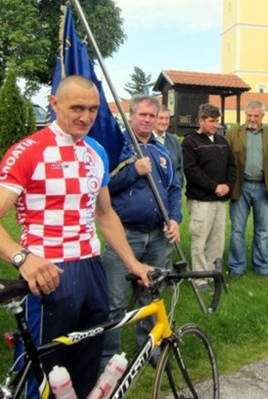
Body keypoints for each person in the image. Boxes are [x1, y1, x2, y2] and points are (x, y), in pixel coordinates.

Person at [0, 75, 152, 399]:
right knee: (41, 380)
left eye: (93, 109)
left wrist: (132, 261)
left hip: (92, 269)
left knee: (83, 373)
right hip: (48, 272)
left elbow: (106, 214)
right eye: (77, 108)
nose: (85, 117)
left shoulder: (96, 151)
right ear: (54, 104)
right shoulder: (29, 151)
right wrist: (22, 258)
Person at [101, 94, 182, 367]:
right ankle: (107, 359)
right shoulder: (117, 147)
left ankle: (150, 349)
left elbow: (173, 188)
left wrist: (174, 219)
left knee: (151, 296)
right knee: (114, 300)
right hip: (124, 234)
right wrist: (132, 171)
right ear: (131, 114)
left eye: (151, 115)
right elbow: (103, 187)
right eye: (142, 115)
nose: (147, 120)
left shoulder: (161, 152)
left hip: (157, 236)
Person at [226, 101, 268, 279]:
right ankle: (236, 267)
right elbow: (225, 162)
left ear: (262, 116)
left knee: (262, 230)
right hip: (240, 187)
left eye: (256, 116)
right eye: (249, 115)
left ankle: (261, 266)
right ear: (245, 115)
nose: (252, 119)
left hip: (264, 188)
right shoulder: (233, 134)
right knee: (237, 230)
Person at [182, 103, 236, 291]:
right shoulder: (190, 142)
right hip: (201, 200)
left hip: (220, 200)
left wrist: (227, 185)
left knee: (217, 239)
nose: (215, 125)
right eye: (211, 121)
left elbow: (232, 166)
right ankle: (199, 278)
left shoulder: (222, 140)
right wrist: (214, 187)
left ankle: (213, 273)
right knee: (200, 238)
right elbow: (191, 171)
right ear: (201, 121)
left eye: (217, 121)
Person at [154, 104, 183, 187]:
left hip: (171, 194)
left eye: (167, 118)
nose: (164, 122)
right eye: (161, 118)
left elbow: (179, 169)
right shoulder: (145, 140)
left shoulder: (174, 142)